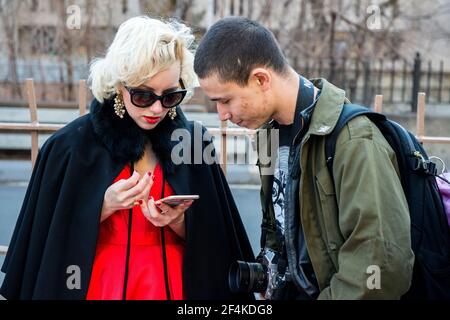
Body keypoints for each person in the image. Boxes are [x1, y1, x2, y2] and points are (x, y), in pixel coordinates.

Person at [0, 16, 254, 300]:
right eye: (143, 96)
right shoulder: (70, 146)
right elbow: (46, 242)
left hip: (176, 288)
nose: (157, 108)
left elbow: (218, 244)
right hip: (96, 287)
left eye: (170, 96)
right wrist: (100, 206)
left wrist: (179, 222)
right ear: (119, 85)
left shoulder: (194, 144)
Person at [194, 16, 414, 300]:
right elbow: (280, 232)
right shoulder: (268, 134)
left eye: (225, 100)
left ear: (261, 79)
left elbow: (380, 265)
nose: (222, 115)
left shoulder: (354, 140)